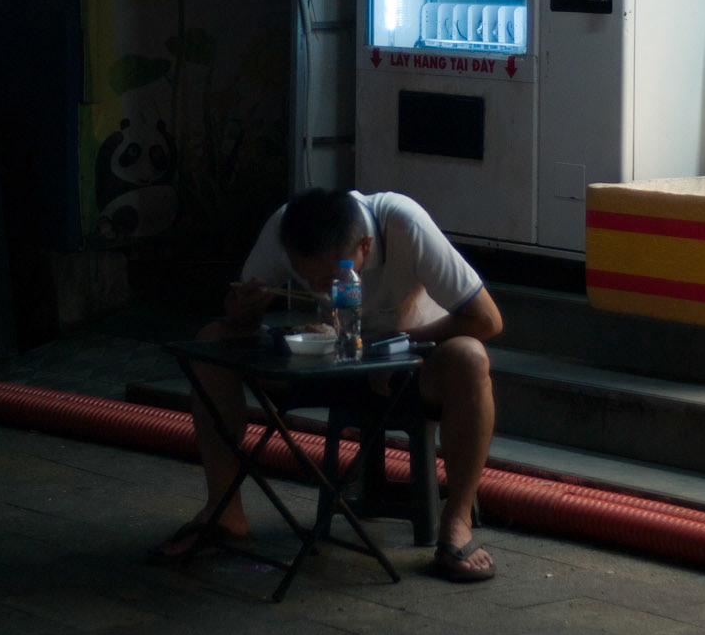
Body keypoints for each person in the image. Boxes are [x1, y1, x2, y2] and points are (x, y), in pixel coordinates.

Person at [152, 187, 502, 582]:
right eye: (311, 280)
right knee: (211, 342)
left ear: (366, 245)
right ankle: (225, 515)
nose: (323, 290)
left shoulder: (403, 223)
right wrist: (241, 309)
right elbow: (240, 317)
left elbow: (487, 319)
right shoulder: (287, 229)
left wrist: (400, 347)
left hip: (407, 367)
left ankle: (456, 525)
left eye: (332, 279)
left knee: (471, 357)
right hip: (328, 363)